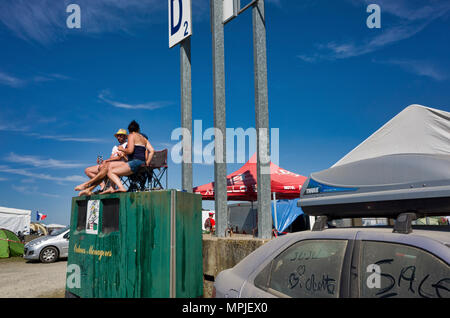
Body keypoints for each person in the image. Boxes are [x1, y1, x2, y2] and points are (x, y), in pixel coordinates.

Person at [102, 120, 154, 194]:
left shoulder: (131, 135)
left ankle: (120, 187)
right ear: (138, 129)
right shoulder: (143, 138)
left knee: (110, 172)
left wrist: (121, 149)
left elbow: (130, 150)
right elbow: (152, 151)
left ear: (129, 130)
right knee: (111, 168)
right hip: (142, 163)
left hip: (134, 163)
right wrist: (147, 162)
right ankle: (112, 188)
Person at [75, 129, 128, 195]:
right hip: (110, 164)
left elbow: (120, 157)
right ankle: (102, 185)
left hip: (120, 166)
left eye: (120, 136)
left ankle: (89, 187)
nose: (118, 137)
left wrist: (106, 161)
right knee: (87, 170)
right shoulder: (115, 147)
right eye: (117, 136)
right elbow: (111, 157)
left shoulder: (127, 145)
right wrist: (104, 161)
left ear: (125, 137)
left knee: (103, 167)